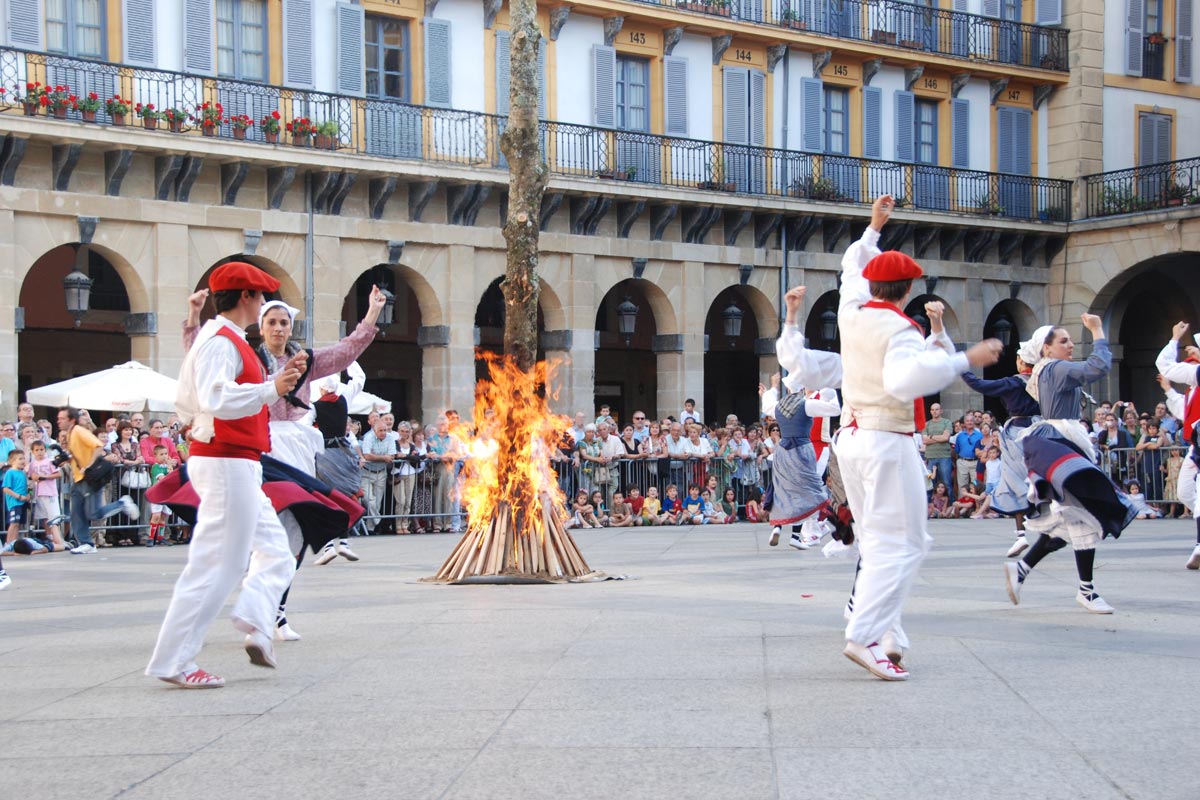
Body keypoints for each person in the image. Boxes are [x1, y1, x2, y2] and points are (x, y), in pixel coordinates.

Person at [835, 194, 1001, 681]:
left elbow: (850, 270)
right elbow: (905, 382)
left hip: (853, 438)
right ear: (906, 289)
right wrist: (963, 359)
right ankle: (865, 633)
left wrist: (872, 229)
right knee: (906, 543)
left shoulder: (851, 310)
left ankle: (886, 633)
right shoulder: (899, 327)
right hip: (886, 439)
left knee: (876, 540)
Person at [146, 261, 306, 689]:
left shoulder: (221, 338)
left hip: (234, 460)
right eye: (260, 297)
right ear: (247, 298)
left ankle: (256, 622)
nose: (262, 304)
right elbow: (215, 397)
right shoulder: (221, 341)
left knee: (275, 549)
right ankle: (176, 660)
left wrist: (269, 387)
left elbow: (190, 399)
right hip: (226, 461)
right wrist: (272, 388)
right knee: (218, 564)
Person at [1004, 317, 1134, 614]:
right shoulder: (1057, 368)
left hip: (1058, 439)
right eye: (1063, 341)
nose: (1071, 344)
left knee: (1067, 520)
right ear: (1047, 349)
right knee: (1080, 514)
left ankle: (1022, 569)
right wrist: (1099, 332)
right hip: (1063, 441)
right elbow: (1097, 368)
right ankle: (1086, 591)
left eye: (1070, 340)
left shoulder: (1043, 371)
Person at [960, 340, 1043, 556]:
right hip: (1042, 429)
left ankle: (1020, 535)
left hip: (1019, 432)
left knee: (1014, 480)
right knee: (1042, 478)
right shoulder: (1043, 380)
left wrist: (960, 368)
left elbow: (981, 385)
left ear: (1021, 360)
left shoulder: (1014, 383)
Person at [57, 407, 138, 554]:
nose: (59, 421)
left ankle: (122, 503)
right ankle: (86, 543)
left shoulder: (78, 431)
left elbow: (98, 445)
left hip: (88, 478)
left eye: (62, 418)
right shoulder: (70, 434)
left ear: (71, 420)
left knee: (94, 513)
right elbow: (79, 454)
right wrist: (66, 458)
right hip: (78, 478)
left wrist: (88, 465)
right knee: (76, 513)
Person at [1154, 322, 1200, 568]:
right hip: (1196, 447)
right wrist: (1169, 390)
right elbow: (1186, 411)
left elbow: (1166, 365)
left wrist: (1174, 339)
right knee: (1185, 492)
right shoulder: (1194, 389)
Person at [27, 440, 65, 547]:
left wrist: (44, 477)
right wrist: (33, 478)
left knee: (53, 517)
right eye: (37, 450)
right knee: (44, 517)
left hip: (49, 492)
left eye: (41, 450)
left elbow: (58, 474)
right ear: (33, 452)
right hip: (38, 493)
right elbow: (31, 476)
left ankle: (57, 538)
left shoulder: (50, 461)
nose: (39, 452)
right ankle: (49, 536)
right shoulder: (32, 464)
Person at [4, 450, 31, 550]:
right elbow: (6, 488)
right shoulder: (10, 472)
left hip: (22, 502)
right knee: (13, 523)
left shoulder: (23, 473)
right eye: (20, 459)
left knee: (18, 524)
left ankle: (13, 544)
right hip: (14, 502)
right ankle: (8, 543)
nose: (23, 461)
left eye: (23, 458)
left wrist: (29, 494)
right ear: (12, 461)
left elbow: (27, 487)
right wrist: (19, 496)